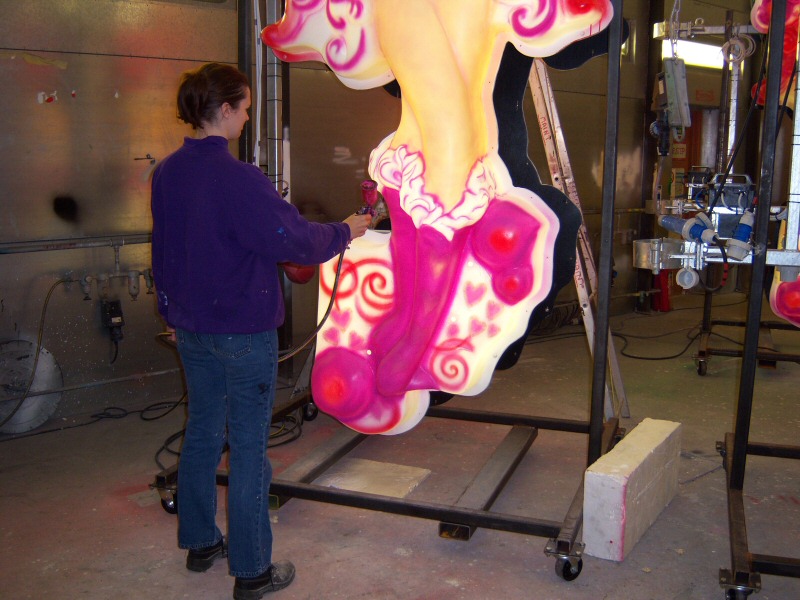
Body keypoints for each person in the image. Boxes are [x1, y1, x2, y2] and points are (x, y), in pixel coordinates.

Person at [150, 62, 371, 599]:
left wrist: (172, 313)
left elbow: (165, 253)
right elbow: (294, 241)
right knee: (249, 448)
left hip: (193, 328)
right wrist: (349, 229)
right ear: (223, 110)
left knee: (204, 429)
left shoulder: (168, 173)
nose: (248, 117)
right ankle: (252, 571)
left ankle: (201, 542)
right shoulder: (237, 177)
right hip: (242, 333)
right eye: (245, 107)